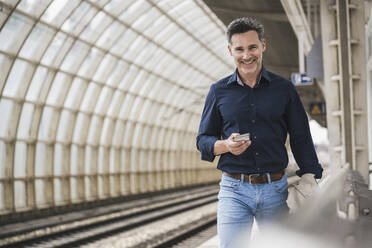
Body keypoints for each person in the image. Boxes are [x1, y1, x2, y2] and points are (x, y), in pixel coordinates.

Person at [196, 17, 323, 247]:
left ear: (263, 45)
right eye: (240, 49)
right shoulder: (218, 91)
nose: (247, 55)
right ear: (230, 50)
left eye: (252, 47)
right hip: (234, 190)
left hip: (275, 190)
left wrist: (310, 176)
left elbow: (300, 136)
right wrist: (226, 146)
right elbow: (203, 140)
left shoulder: (284, 89)